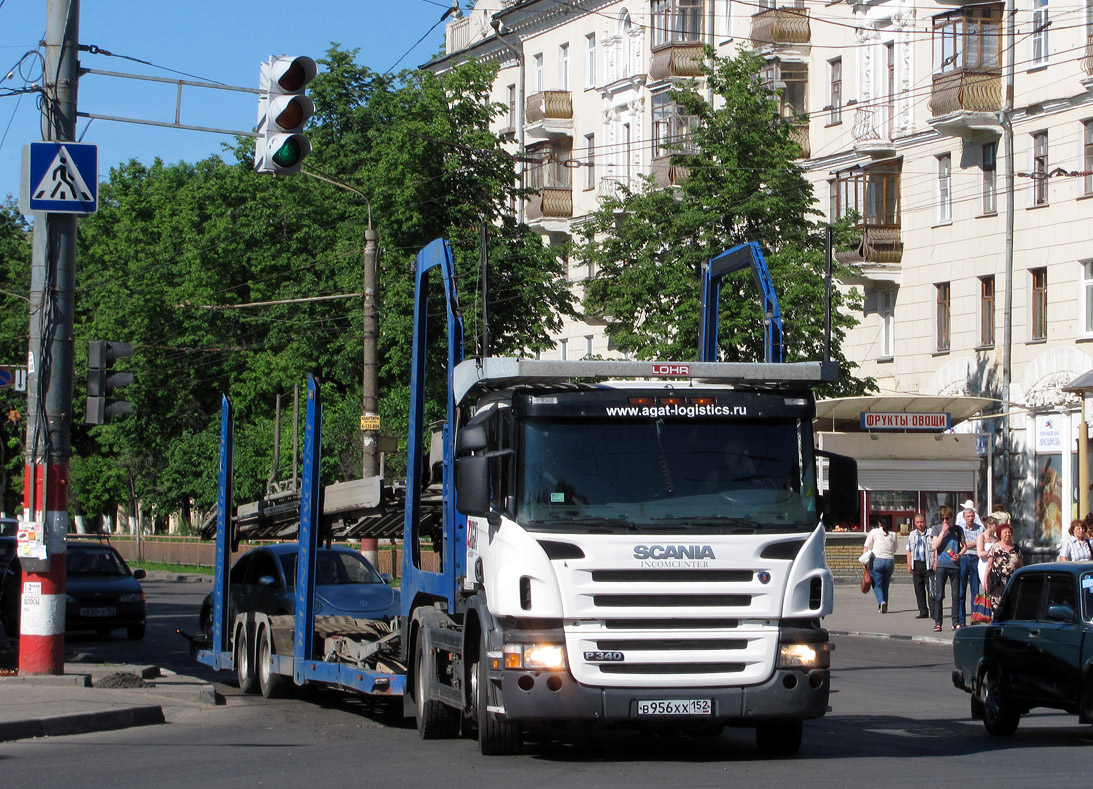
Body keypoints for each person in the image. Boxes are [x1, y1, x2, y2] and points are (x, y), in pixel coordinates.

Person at [931, 513, 965, 631]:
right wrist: (943, 532)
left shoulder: (958, 529)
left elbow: (964, 546)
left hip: (955, 566)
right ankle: (938, 622)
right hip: (941, 565)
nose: (945, 521)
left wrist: (959, 555)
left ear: (952, 518)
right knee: (939, 595)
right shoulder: (936, 529)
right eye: (943, 519)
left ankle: (955, 622)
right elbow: (934, 546)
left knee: (956, 596)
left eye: (947, 518)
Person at [957, 500, 984, 628]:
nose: (970, 518)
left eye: (972, 516)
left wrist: (968, 544)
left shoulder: (980, 528)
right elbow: (960, 544)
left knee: (975, 590)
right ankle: (961, 619)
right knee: (961, 591)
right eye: (968, 516)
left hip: (975, 559)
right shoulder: (960, 528)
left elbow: (980, 544)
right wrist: (972, 544)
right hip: (963, 559)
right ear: (964, 517)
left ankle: (975, 617)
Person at [986, 523, 1023, 615]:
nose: (1007, 534)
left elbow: (1021, 565)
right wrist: (986, 581)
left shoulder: (1016, 548)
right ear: (1000, 534)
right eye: (1005, 532)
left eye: (1009, 532)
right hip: (997, 583)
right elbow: (989, 565)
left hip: (1012, 581)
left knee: (1011, 606)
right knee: (997, 607)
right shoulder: (995, 547)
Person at [864, 516, 899, 613]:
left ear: (879, 523)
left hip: (877, 560)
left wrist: (865, 562)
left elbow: (866, 547)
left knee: (877, 584)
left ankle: (881, 602)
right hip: (889, 561)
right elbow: (895, 549)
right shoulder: (893, 534)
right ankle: (884, 606)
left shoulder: (874, 532)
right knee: (885, 585)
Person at [905, 512, 934, 619]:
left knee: (931, 589)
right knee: (919, 589)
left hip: (928, 565)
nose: (920, 524)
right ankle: (923, 611)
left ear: (925, 522)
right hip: (916, 564)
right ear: (915, 523)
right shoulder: (912, 534)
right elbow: (909, 550)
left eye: (921, 522)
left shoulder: (930, 533)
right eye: (917, 522)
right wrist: (909, 565)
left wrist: (935, 563)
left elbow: (935, 549)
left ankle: (934, 612)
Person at [976, 515, 1000, 590]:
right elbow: (980, 553)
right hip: (984, 564)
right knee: (987, 586)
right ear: (989, 525)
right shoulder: (981, 537)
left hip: (994, 565)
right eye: (995, 525)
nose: (997, 527)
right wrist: (992, 552)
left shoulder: (996, 539)